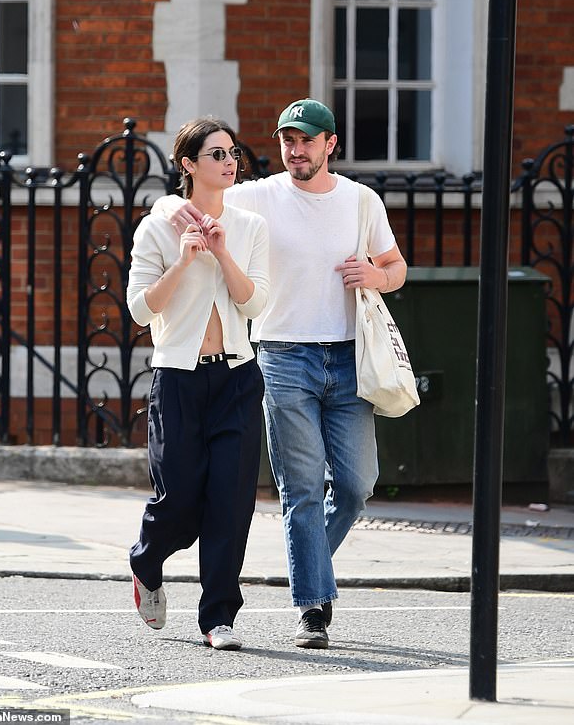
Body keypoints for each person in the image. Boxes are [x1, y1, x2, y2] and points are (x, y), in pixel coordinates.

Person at [153, 98, 407, 649]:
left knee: (359, 485)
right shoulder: (257, 195)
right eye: (288, 141)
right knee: (302, 487)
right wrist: (172, 211)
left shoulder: (361, 201)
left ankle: (309, 566)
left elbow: (397, 268)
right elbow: (191, 197)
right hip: (283, 355)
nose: (296, 150)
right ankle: (313, 607)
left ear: (329, 145)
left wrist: (375, 275)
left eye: (307, 141)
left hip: (347, 356)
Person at [127, 117, 269, 651]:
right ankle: (147, 560)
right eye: (216, 155)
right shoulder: (157, 227)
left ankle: (218, 618)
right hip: (178, 379)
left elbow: (254, 303)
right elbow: (141, 309)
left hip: (236, 377)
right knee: (180, 500)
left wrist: (223, 252)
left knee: (231, 503)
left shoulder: (250, 226)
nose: (230, 163)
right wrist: (184, 260)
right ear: (188, 165)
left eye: (233, 153)